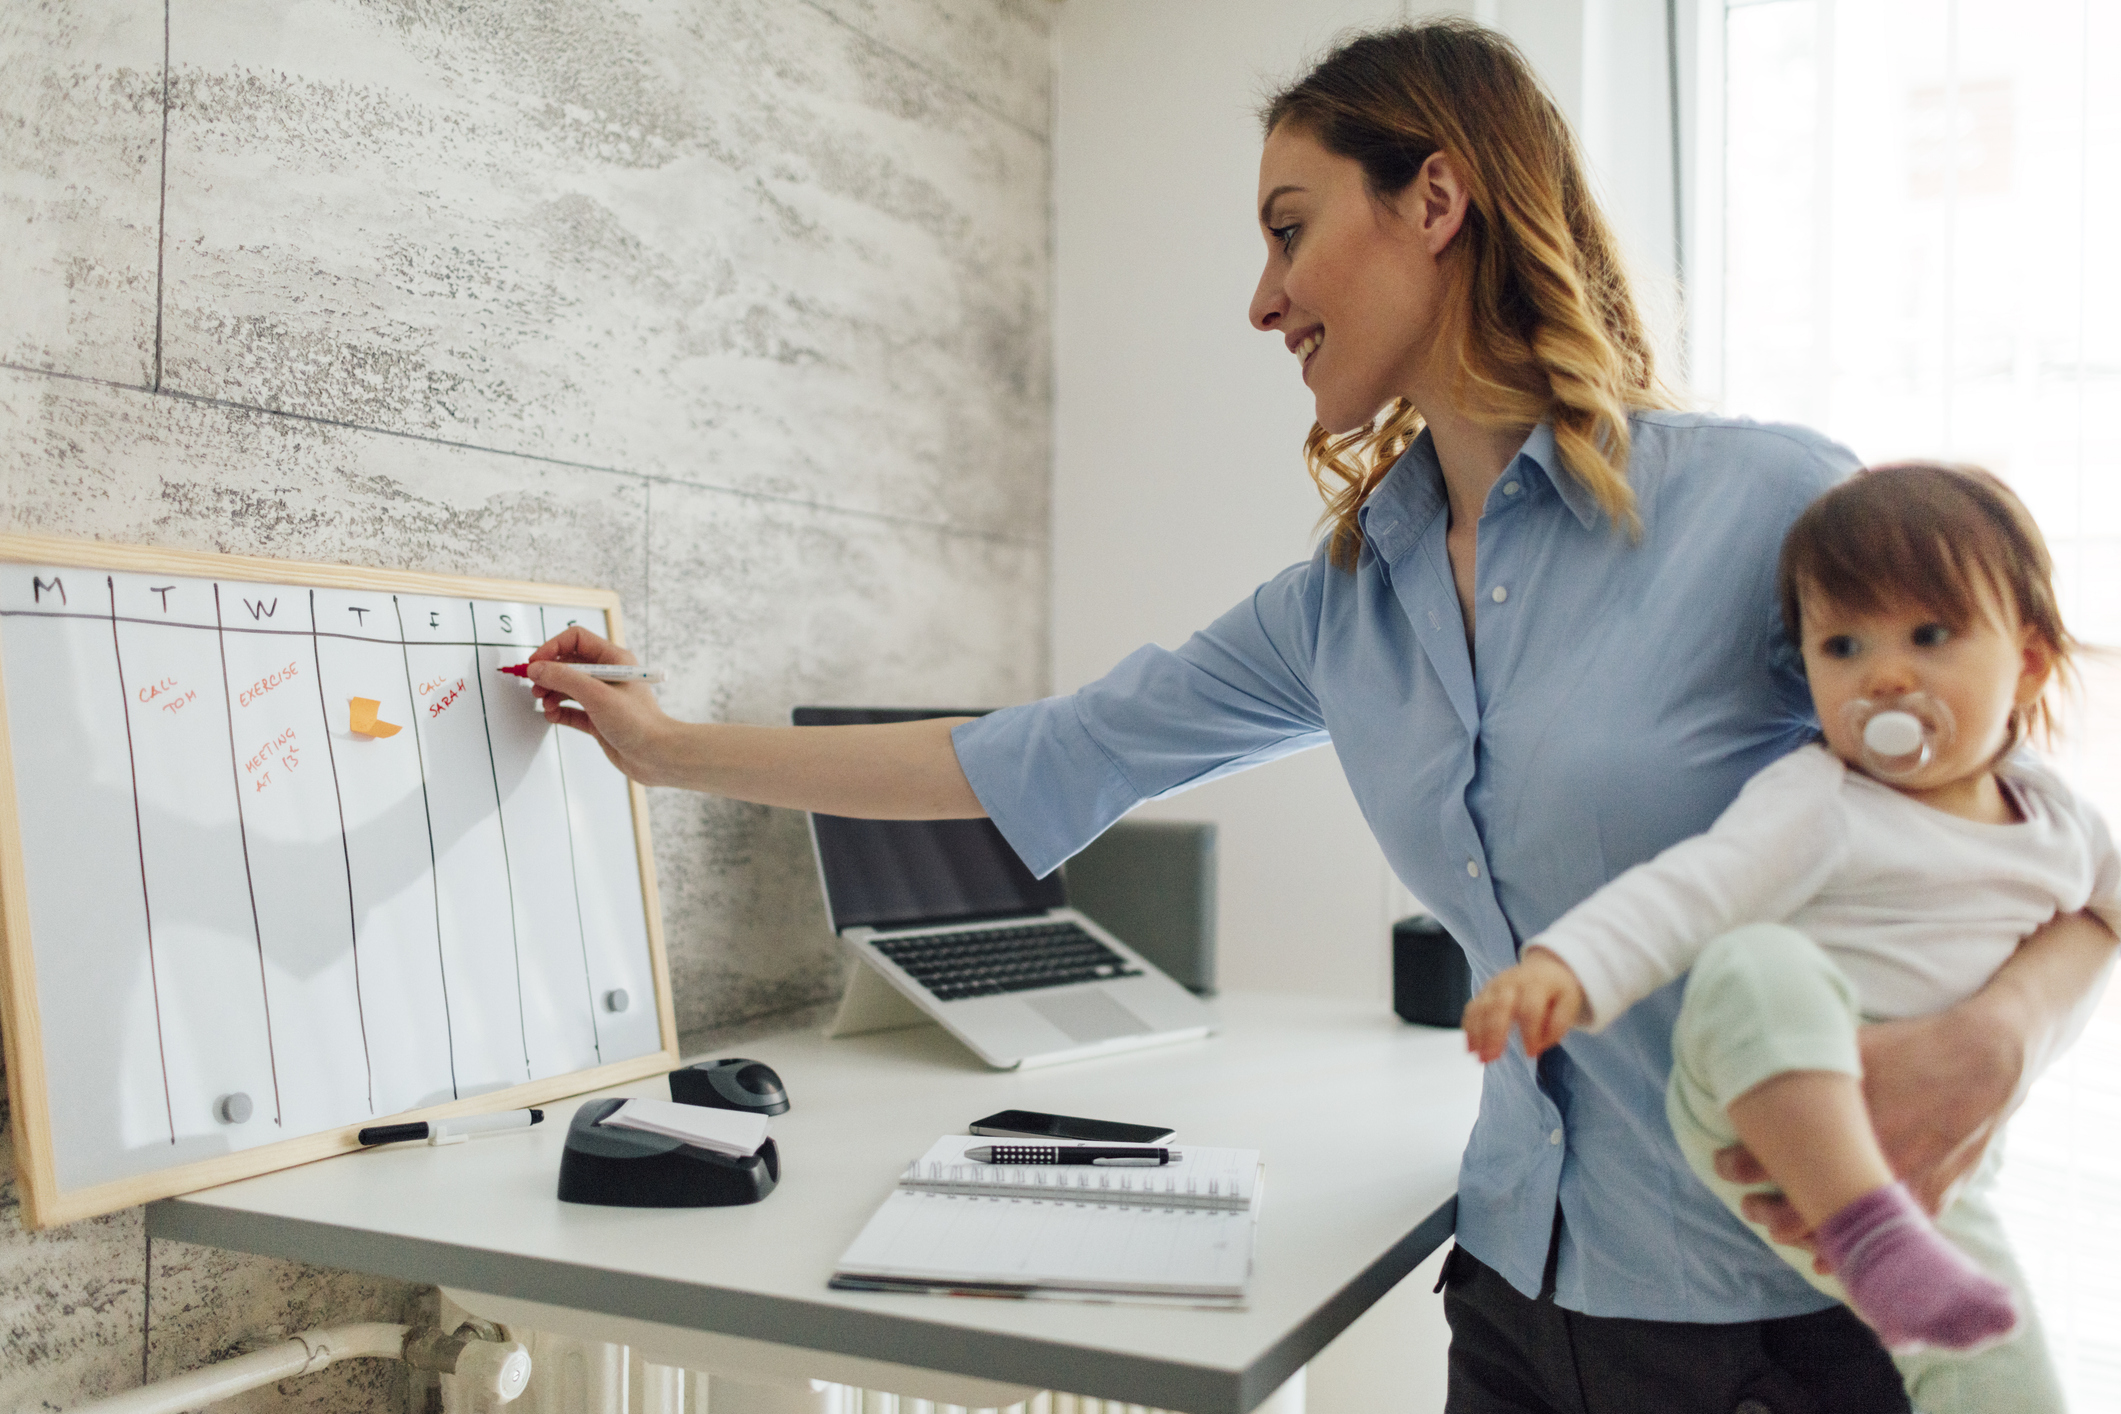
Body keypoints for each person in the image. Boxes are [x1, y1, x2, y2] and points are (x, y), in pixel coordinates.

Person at [522, 21, 2117, 1414]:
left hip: (1777, 1332)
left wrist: (1994, 1037)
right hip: (1511, 1308)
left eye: (1290, 230)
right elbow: (1025, 754)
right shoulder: (1348, 600)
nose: (1261, 298)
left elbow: (2060, 835)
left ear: (1435, 198)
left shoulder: (1764, 504)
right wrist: (663, 750)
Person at [1462, 462, 2120, 1412]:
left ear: (2026, 660)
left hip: (1922, 1157)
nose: (1884, 675)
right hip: (1758, 1104)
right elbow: (1688, 890)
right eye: (1842, 645)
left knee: (1999, 1362)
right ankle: (1864, 1235)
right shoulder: (1817, 800)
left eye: (1929, 636)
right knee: (1753, 961)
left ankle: (1890, 1250)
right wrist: (1564, 966)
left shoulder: (2057, 818)